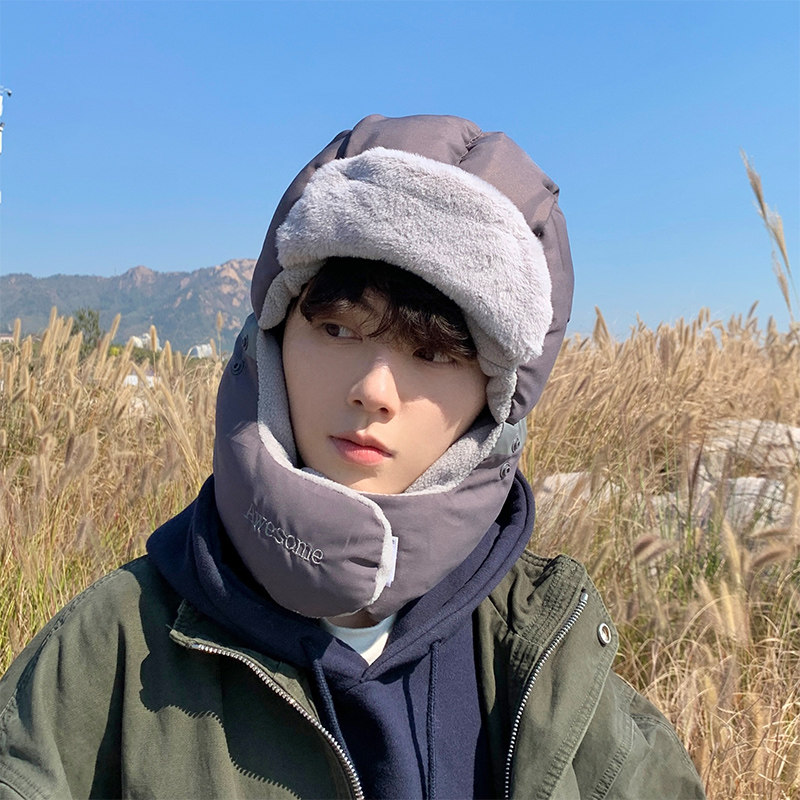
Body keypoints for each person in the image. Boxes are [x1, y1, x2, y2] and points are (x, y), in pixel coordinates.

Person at [0, 114, 705, 799]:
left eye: (433, 352)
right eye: (337, 329)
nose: (373, 390)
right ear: (272, 337)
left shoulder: (550, 661)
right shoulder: (111, 649)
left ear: (496, 401)